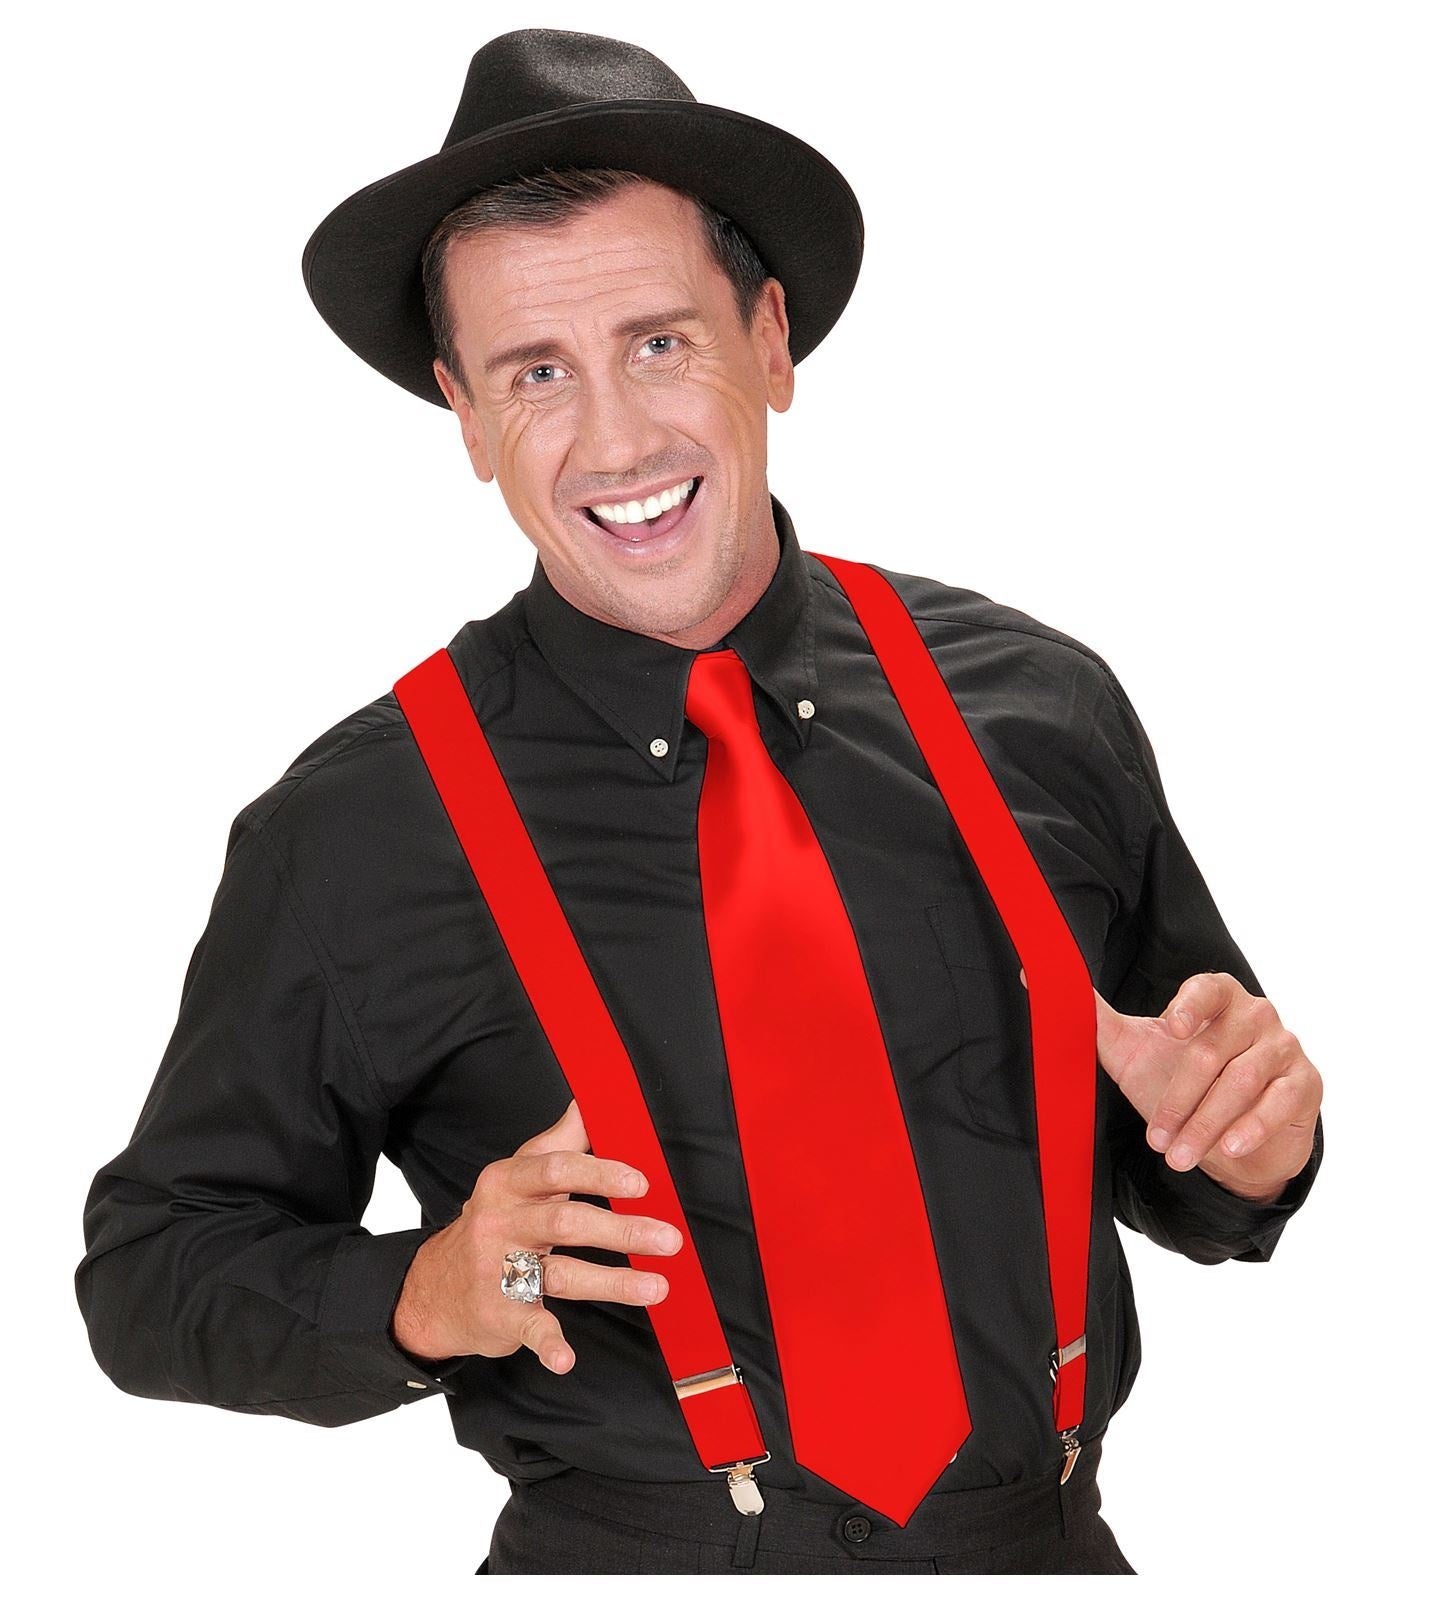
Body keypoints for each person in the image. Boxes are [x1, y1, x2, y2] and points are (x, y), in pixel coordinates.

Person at [74, 29, 1324, 1575]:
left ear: (771, 340)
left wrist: (1250, 1146)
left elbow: (1194, 1145)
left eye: (659, 343)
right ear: (465, 415)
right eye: (537, 373)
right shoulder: (354, 828)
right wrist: (427, 1293)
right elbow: (154, 1274)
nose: (615, 440)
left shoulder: (1036, 708)